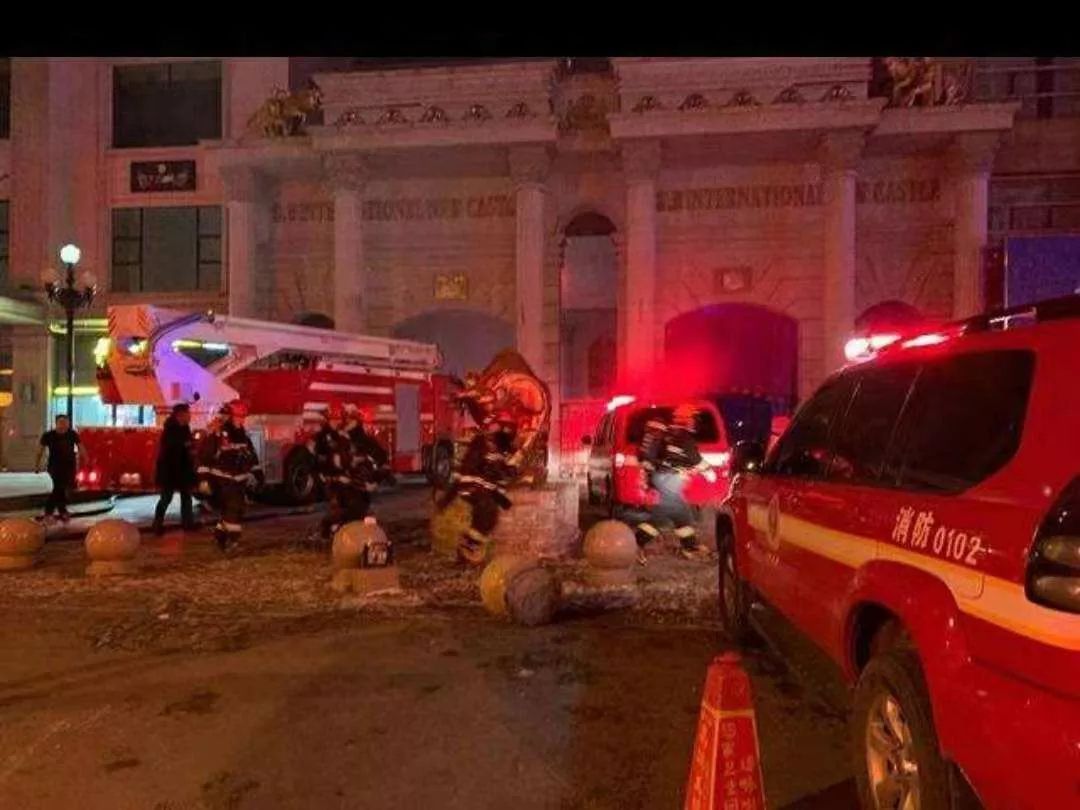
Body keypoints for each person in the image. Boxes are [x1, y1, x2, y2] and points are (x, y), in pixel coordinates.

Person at [632, 403, 713, 564]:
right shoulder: (684, 437)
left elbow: (674, 457)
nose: (695, 423)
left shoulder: (671, 434)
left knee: (681, 513)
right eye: (693, 419)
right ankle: (634, 545)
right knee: (662, 516)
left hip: (664, 477)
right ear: (686, 420)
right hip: (668, 478)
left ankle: (690, 547)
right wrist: (709, 472)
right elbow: (694, 458)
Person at [436, 411, 517, 564]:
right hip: (474, 488)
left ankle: (468, 549)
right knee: (487, 513)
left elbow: (496, 471)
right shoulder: (484, 444)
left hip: (479, 488)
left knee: (488, 515)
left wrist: (509, 474)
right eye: (503, 427)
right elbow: (487, 471)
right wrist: (446, 500)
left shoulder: (492, 445)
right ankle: (468, 546)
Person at [197, 400, 263, 553]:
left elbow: (251, 457)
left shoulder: (242, 435)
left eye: (243, 417)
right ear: (230, 417)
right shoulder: (218, 434)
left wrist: (258, 474)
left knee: (236, 510)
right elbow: (205, 457)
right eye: (239, 416)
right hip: (223, 479)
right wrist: (204, 480)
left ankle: (220, 535)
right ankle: (233, 541)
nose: (242, 420)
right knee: (234, 508)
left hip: (239, 479)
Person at [313, 403, 371, 543]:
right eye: (333, 419)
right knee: (340, 508)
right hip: (335, 480)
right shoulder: (326, 437)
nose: (337, 422)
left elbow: (350, 458)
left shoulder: (344, 437)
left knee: (354, 508)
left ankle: (339, 532)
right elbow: (322, 460)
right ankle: (328, 530)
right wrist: (331, 477)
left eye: (338, 419)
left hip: (345, 480)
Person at [151, 402, 197, 535]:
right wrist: (186, 447)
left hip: (183, 469)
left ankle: (188, 523)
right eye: (188, 414)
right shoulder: (171, 430)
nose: (190, 416)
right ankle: (157, 524)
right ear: (180, 415)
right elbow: (173, 450)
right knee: (166, 498)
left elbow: (187, 446)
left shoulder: (184, 428)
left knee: (186, 496)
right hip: (170, 470)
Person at [34, 414, 83, 523]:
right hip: (55, 466)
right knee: (57, 488)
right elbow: (40, 451)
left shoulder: (72, 434)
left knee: (62, 489)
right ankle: (51, 512)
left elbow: (81, 447)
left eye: (66, 422)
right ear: (56, 423)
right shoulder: (49, 435)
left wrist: (85, 460)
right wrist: (37, 465)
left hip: (70, 467)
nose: (63, 425)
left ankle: (61, 511)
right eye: (61, 422)